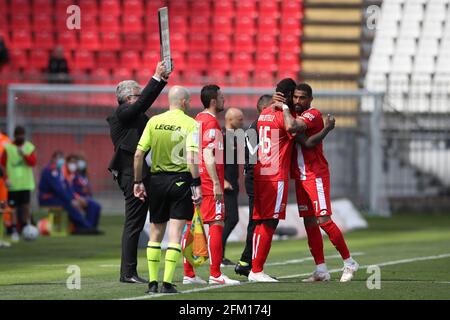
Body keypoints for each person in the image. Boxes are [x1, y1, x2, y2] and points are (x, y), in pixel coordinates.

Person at [274, 83, 359, 282]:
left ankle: (349, 261)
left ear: (310, 99)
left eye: (302, 97)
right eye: (294, 97)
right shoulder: (293, 116)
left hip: (315, 175)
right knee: (310, 222)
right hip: (301, 176)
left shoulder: (312, 114)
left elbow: (306, 141)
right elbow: (301, 139)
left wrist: (326, 129)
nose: (297, 101)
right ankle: (321, 269)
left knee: (323, 220)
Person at [134, 85, 202, 294]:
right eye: (189, 101)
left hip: (157, 181)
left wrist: (138, 182)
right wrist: (196, 183)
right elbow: (191, 158)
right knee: (174, 234)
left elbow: (138, 155)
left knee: (155, 234)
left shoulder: (154, 121)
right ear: (184, 102)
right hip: (180, 181)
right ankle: (167, 283)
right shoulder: (191, 124)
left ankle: (152, 283)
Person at [107, 61, 170, 284]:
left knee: (145, 219)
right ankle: (127, 273)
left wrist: (161, 80)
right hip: (132, 175)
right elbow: (142, 105)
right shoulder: (123, 113)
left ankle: (133, 271)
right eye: (137, 94)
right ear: (127, 98)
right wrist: (156, 78)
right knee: (134, 223)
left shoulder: (133, 114)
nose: (140, 97)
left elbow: (143, 104)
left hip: (144, 173)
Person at [249, 78, 307, 282]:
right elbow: (293, 128)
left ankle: (253, 268)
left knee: (260, 220)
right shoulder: (284, 115)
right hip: (275, 176)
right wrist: (285, 108)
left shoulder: (264, 113)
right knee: (270, 222)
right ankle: (257, 270)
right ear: (289, 96)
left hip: (261, 171)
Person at [182, 84, 240, 285]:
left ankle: (188, 273)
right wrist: (216, 182)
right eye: (222, 97)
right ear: (214, 101)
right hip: (208, 182)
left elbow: (191, 153)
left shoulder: (197, 120)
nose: (225, 100)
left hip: (198, 180)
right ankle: (216, 274)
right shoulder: (212, 123)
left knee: (193, 224)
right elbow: (207, 154)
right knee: (216, 223)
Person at [234, 94, 272, 276]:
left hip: (254, 176)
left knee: (257, 220)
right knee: (257, 221)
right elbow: (258, 156)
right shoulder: (258, 128)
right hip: (256, 177)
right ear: (264, 109)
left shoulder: (256, 127)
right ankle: (247, 262)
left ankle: (247, 261)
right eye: (272, 107)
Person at [38, 151, 98, 234]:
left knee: (91, 204)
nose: (60, 161)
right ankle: (85, 227)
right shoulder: (50, 170)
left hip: (56, 198)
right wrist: (71, 200)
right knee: (68, 205)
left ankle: (88, 227)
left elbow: (67, 188)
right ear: (53, 159)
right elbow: (58, 189)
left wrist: (74, 198)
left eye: (62, 158)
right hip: (47, 199)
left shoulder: (59, 171)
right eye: (58, 158)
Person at [1, 126, 37, 241]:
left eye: (22, 134)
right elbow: (2, 165)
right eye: (18, 135)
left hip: (25, 183)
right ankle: (14, 229)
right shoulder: (8, 148)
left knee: (26, 206)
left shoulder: (29, 147)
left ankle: (27, 227)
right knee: (13, 208)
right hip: (13, 184)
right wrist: (5, 178)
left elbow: (33, 162)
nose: (20, 137)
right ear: (15, 135)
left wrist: (24, 154)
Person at [221, 108, 244, 266]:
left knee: (228, 219)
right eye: (239, 119)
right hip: (225, 185)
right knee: (232, 219)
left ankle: (219, 255)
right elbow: (215, 161)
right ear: (230, 119)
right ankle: (217, 254)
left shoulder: (234, 137)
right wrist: (222, 180)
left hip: (232, 184)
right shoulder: (222, 137)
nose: (242, 122)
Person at [64, 154, 101, 231]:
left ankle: (92, 227)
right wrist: (77, 198)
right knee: (91, 205)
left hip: (82, 197)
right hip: (74, 198)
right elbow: (70, 190)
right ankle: (87, 227)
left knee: (96, 206)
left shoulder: (78, 175)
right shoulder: (68, 175)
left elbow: (86, 189)